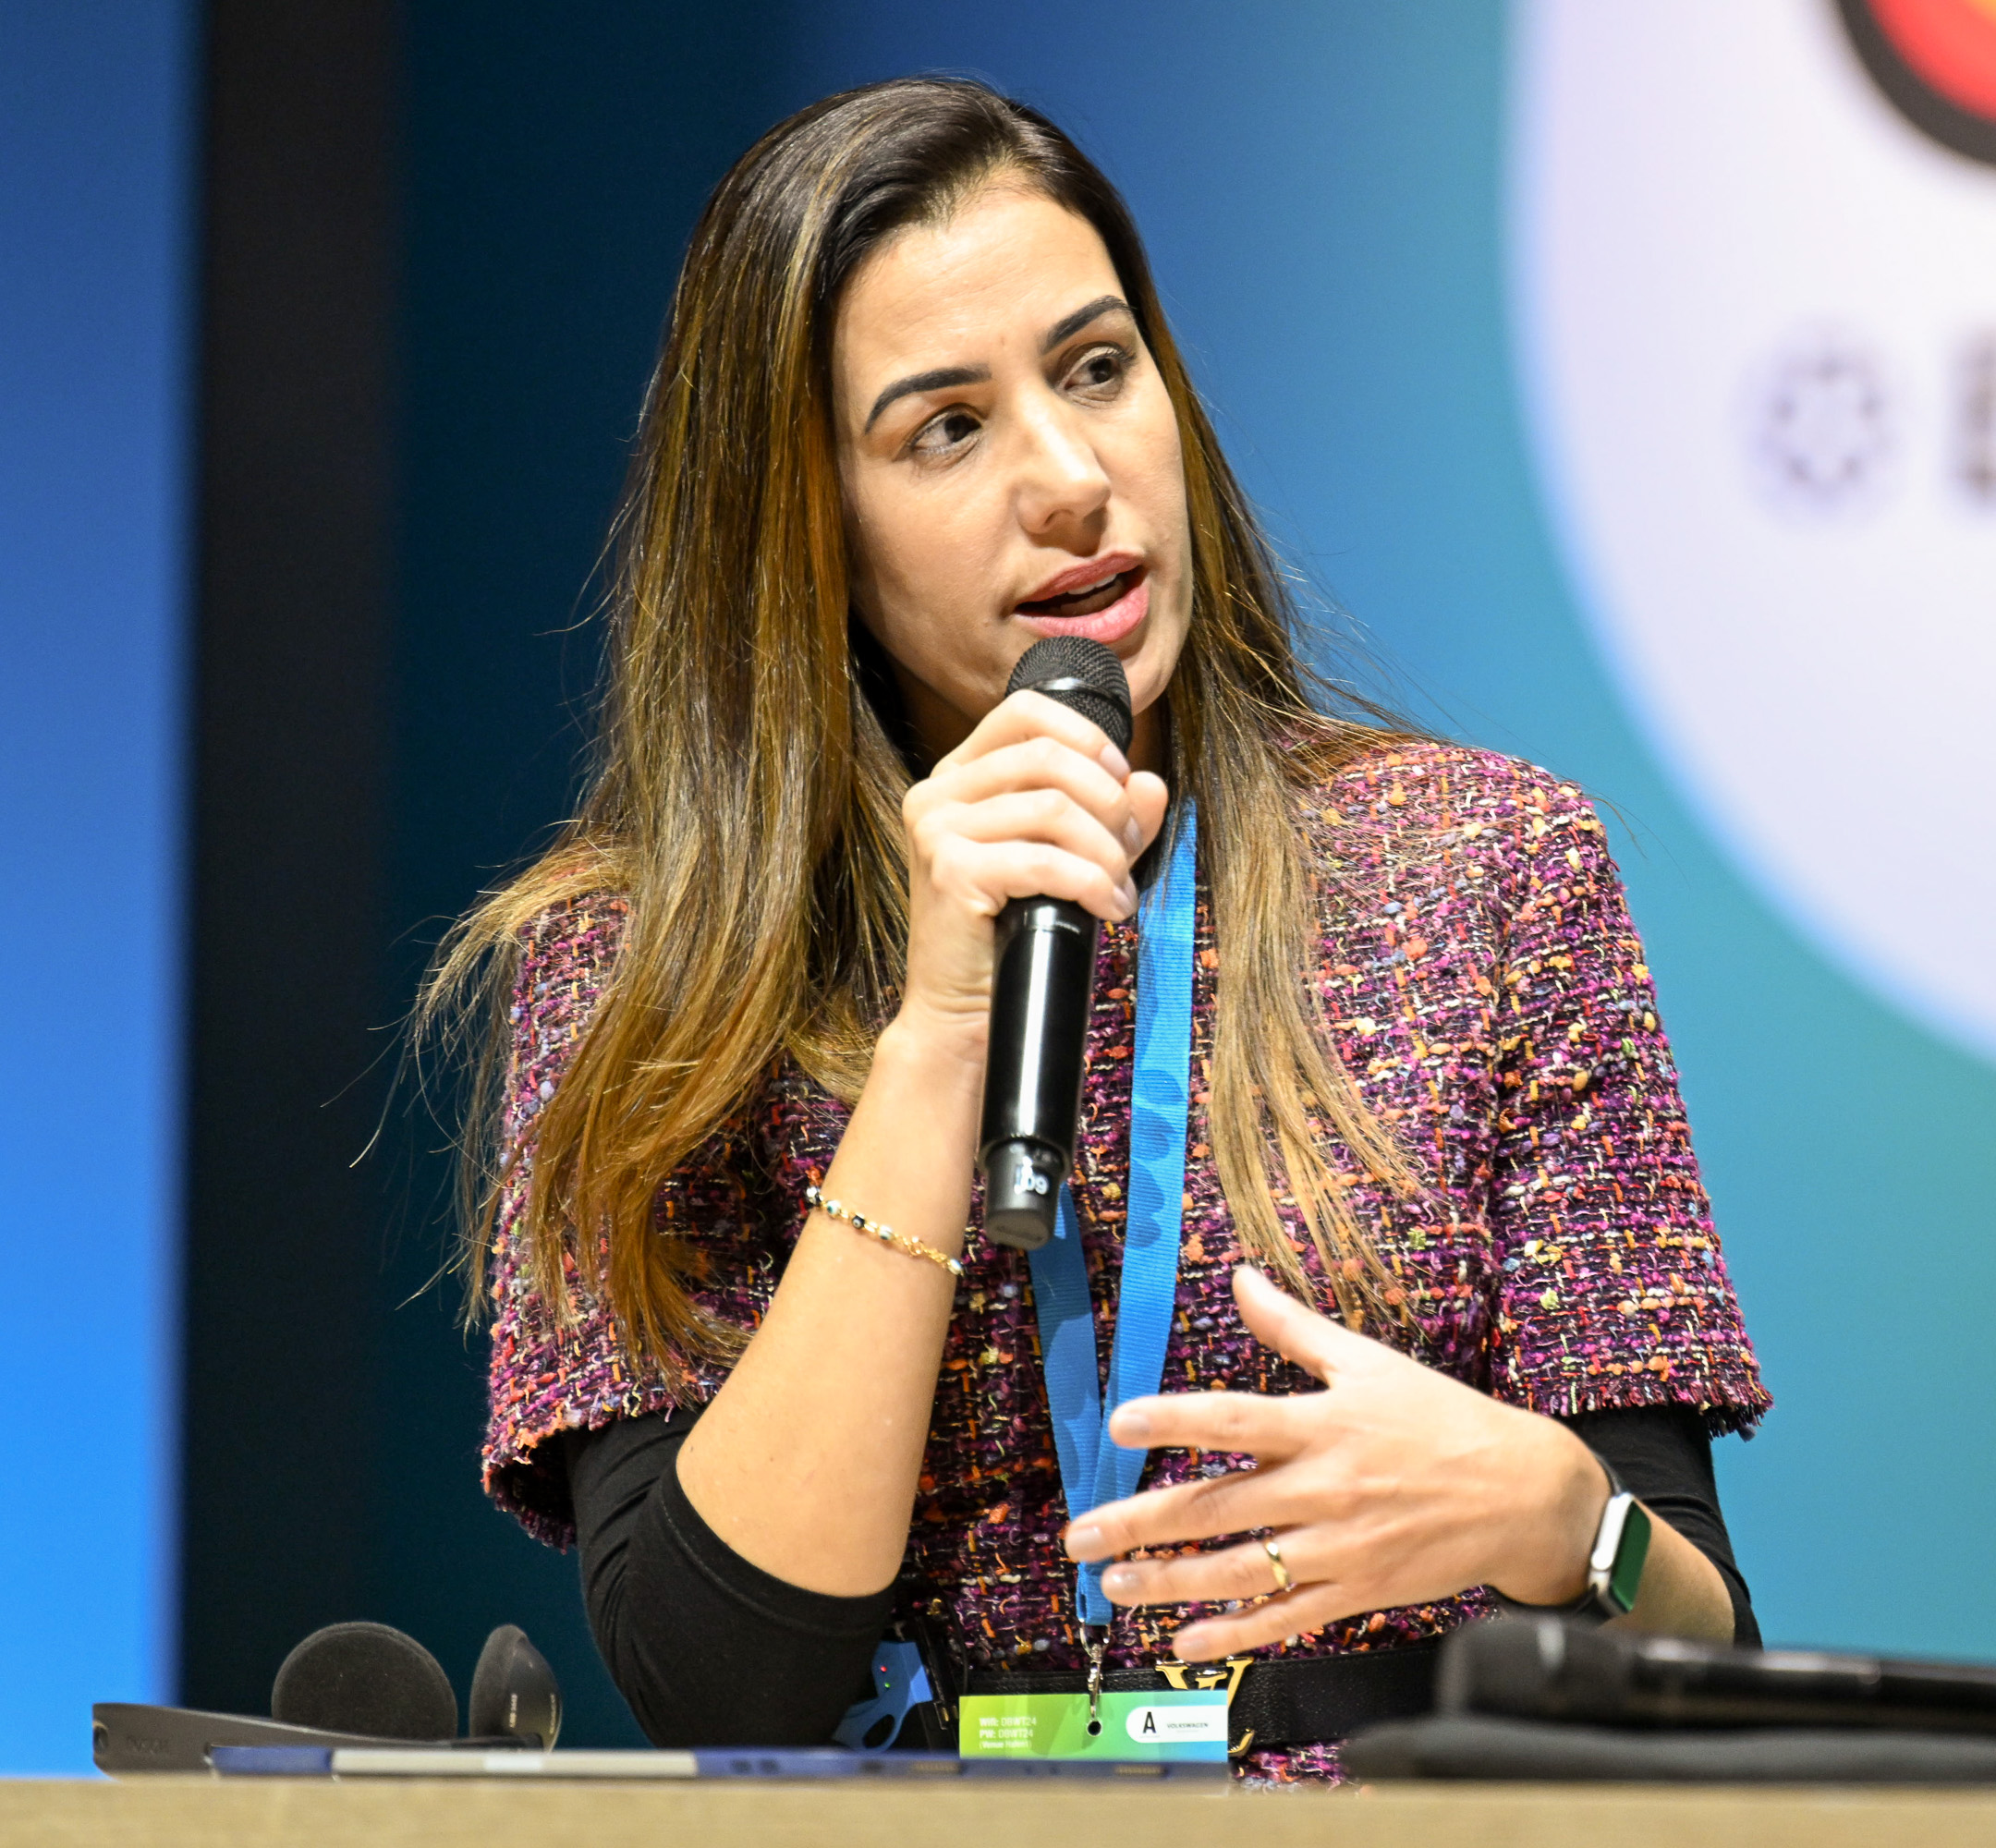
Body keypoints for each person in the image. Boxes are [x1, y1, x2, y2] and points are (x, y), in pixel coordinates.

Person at [432, 76, 1769, 1783]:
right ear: (805, 526)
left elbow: (1709, 1655)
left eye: (1095, 368)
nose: (1071, 478)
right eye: (946, 428)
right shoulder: (636, 974)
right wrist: (936, 1045)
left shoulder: (1487, 873)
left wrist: (1566, 1519)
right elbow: (717, 1688)